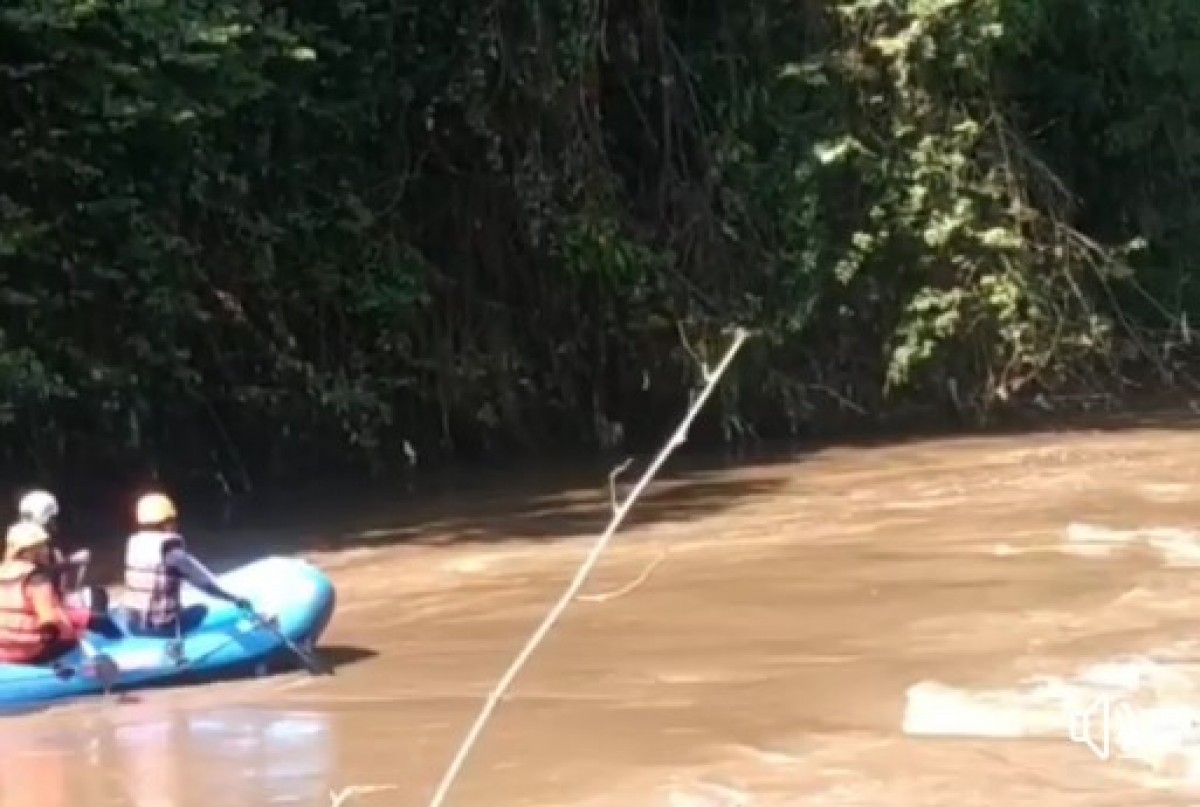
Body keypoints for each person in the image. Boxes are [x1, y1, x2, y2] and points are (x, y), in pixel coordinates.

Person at [120, 492, 251, 636]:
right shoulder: (172, 553)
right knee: (200, 609)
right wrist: (235, 599)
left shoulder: (135, 544)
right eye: (174, 520)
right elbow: (205, 583)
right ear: (167, 522)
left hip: (133, 625)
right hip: (161, 628)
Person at [0, 522, 88, 664]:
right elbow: (49, 624)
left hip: (2, 650)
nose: (46, 550)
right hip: (29, 652)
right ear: (31, 551)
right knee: (77, 636)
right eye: (42, 546)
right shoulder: (37, 578)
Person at [15, 489, 94, 607]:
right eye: (52, 518)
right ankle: (67, 601)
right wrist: (70, 563)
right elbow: (45, 571)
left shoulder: (16, 534)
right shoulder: (39, 540)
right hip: (40, 599)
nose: (54, 521)